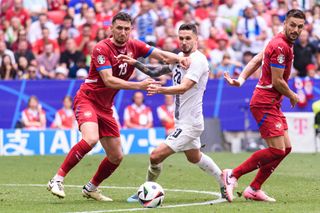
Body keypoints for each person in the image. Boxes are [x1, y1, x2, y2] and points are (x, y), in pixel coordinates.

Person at [47, 12, 190, 201]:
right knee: (90, 139)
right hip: (87, 99)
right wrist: (138, 86)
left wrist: (181, 59)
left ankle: (91, 188)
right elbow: (108, 81)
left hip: (106, 107)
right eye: (119, 28)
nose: (123, 32)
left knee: (116, 156)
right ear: (111, 29)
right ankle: (57, 179)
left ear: (131, 30)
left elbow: (162, 55)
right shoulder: (101, 48)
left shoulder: (134, 46)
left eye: (127, 29)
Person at [117, 23, 225, 202]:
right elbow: (154, 71)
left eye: (188, 38)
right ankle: (224, 181)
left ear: (196, 40)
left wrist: (160, 90)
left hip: (190, 123)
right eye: (181, 38)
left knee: (155, 155)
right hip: (183, 120)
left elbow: (184, 88)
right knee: (194, 157)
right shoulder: (180, 58)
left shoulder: (198, 60)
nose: (184, 42)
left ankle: (144, 192)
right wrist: (134, 62)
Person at [222, 9, 305, 202]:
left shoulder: (280, 42)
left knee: (286, 148)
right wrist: (293, 95)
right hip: (264, 103)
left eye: (300, 26)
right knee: (277, 150)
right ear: (285, 23)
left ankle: (254, 188)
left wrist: (241, 79)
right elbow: (277, 82)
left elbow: (257, 59)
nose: (296, 29)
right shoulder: (280, 46)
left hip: (272, 103)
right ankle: (233, 174)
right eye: (292, 25)